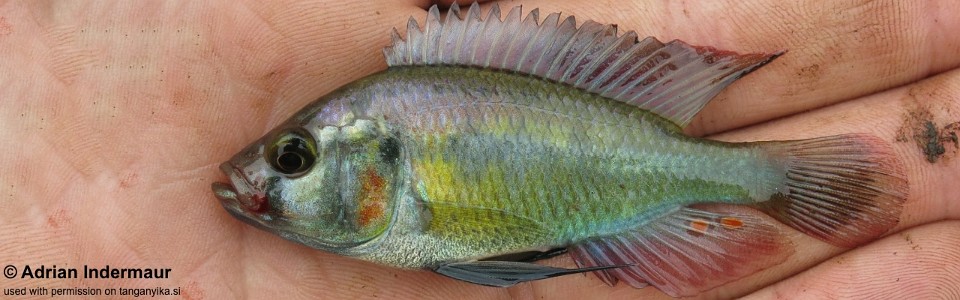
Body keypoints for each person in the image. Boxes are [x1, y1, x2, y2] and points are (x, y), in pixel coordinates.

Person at [1, 0, 958, 298]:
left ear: (375, 164)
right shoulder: (392, 191)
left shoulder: (402, 182)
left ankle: (780, 183)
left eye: (293, 159)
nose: (265, 174)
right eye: (289, 159)